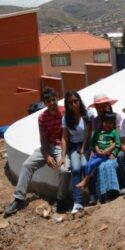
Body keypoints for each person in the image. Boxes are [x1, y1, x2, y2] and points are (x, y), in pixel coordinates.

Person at [4, 88, 70, 217]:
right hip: (46, 147)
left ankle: (61, 199)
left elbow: (65, 136)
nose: (52, 103)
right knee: (27, 165)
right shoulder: (42, 117)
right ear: (44, 103)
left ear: (57, 98)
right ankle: (19, 198)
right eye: (48, 101)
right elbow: (43, 138)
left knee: (65, 170)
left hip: (60, 146)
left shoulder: (64, 112)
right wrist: (46, 156)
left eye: (53, 99)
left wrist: (62, 156)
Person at [61, 91, 92, 214]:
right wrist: (63, 156)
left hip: (86, 144)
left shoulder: (87, 114)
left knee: (85, 165)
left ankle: (91, 195)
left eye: (75, 101)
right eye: (70, 102)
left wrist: (84, 148)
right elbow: (64, 137)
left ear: (79, 101)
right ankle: (77, 202)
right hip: (74, 146)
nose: (73, 104)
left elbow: (89, 133)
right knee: (75, 169)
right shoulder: (66, 118)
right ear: (67, 104)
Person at [88, 93, 123, 204]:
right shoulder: (96, 121)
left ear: (108, 105)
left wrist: (111, 151)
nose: (101, 109)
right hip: (100, 150)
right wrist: (95, 150)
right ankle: (95, 194)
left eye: (103, 106)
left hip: (114, 149)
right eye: (99, 107)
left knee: (107, 164)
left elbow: (118, 138)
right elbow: (94, 139)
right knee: (90, 163)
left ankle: (113, 191)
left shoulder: (116, 117)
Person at [76, 112, 120, 192]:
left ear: (113, 123)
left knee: (94, 164)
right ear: (102, 122)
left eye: (110, 123)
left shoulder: (114, 132)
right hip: (98, 154)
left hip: (107, 155)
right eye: (106, 122)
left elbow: (117, 143)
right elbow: (93, 143)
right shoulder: (98, 132)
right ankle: (86, 182)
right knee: (88, 164)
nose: (107, 125)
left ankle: (85, 181)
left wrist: (109, 150)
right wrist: (97, 150)